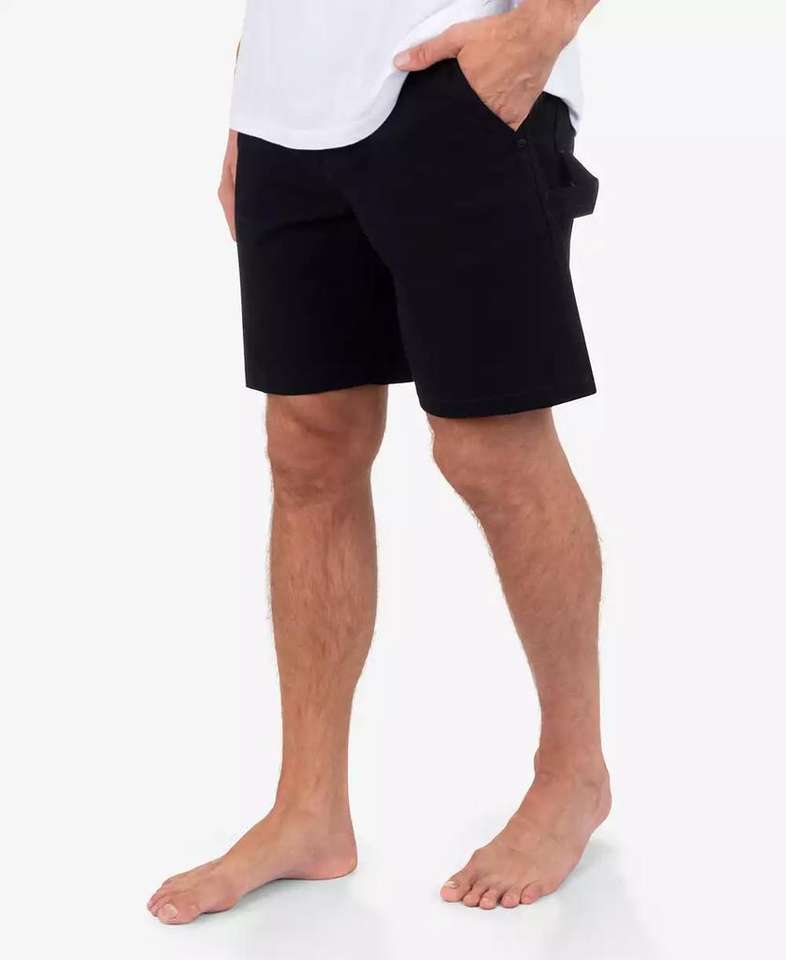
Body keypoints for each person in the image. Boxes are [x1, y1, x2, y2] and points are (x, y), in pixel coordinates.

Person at [148, 0, 610, 924]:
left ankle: (573, 774)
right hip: (287, 105)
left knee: (489, 446)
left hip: (455, 79)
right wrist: (250, 92)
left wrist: (540, 28)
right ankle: (309, 810)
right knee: (307, 446)